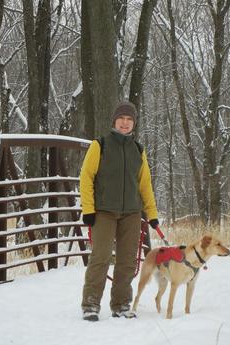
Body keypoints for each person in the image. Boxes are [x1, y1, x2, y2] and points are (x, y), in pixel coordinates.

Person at [79, 100, 159, 322]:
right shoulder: (100, 145)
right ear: (114, 120)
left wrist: (151, 214)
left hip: (132, 213)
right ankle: (91, 304)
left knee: (127, 261)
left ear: (134, 123)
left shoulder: (138, 150)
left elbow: (145, 185)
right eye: (121, 119)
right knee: (100, 257)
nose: (125, 123)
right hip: (104, 211)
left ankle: (121, 304)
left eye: (129, 119)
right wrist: (88, 209)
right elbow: (86, 177)